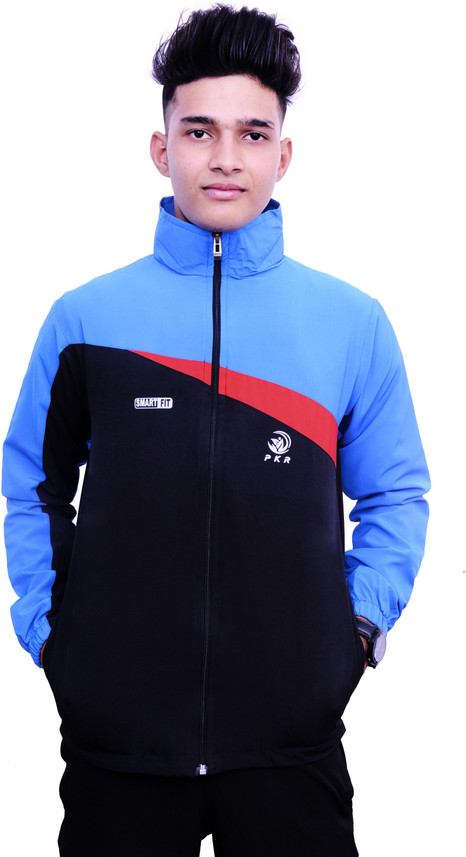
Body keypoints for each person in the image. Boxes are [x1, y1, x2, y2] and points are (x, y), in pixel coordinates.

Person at [2, 5, 430, 856]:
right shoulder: (85, 319)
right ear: (161, 148)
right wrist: (53, 634)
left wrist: (352, 635)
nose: (226, 157)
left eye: (252, 133)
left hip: (290, 747)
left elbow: (396, 493)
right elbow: (31, 484)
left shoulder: (352, 323)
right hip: (119, 748)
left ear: (283, 154)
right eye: (199, 130)